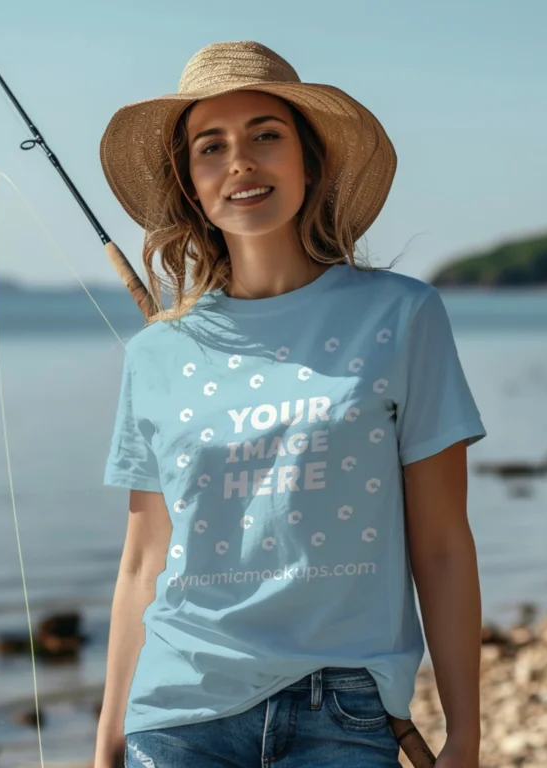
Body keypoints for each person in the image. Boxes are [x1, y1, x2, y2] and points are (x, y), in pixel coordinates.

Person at [94, 41, 486, 768]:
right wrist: (108, 741)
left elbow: (441, 542)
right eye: (212, 147)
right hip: (178, 712)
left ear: (310, 159)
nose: (240, 161)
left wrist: (465, 732)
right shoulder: (154, 354)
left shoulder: (402, 317)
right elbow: (142, 563)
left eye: (265, 135)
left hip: (344, 710)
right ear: (191, 184)